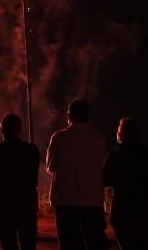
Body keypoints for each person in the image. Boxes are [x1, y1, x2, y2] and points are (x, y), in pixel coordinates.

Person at [46, 99, 107, 250]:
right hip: (92, 201)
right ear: (88, 116)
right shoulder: (99, 139)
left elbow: (50, 167)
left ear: (70, 116)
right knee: (95, 243)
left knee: (69, 244)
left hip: (66, 201)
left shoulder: (58, 138)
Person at [0, 114, 40, 250]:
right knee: (28, 245)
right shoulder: (31, 150)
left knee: (8, 245)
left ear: (2, 130)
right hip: (25, 204)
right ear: (20, 129)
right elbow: (33, 179)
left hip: (3, 205)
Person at [102, 118, 148, 250]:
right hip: (143, 208)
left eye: (119, 129)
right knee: (143, 244)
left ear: (122, 133)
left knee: (126, 245)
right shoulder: (147, 153)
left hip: (122, 209)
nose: (117, 132)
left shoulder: (115, 154)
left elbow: (103, 178)